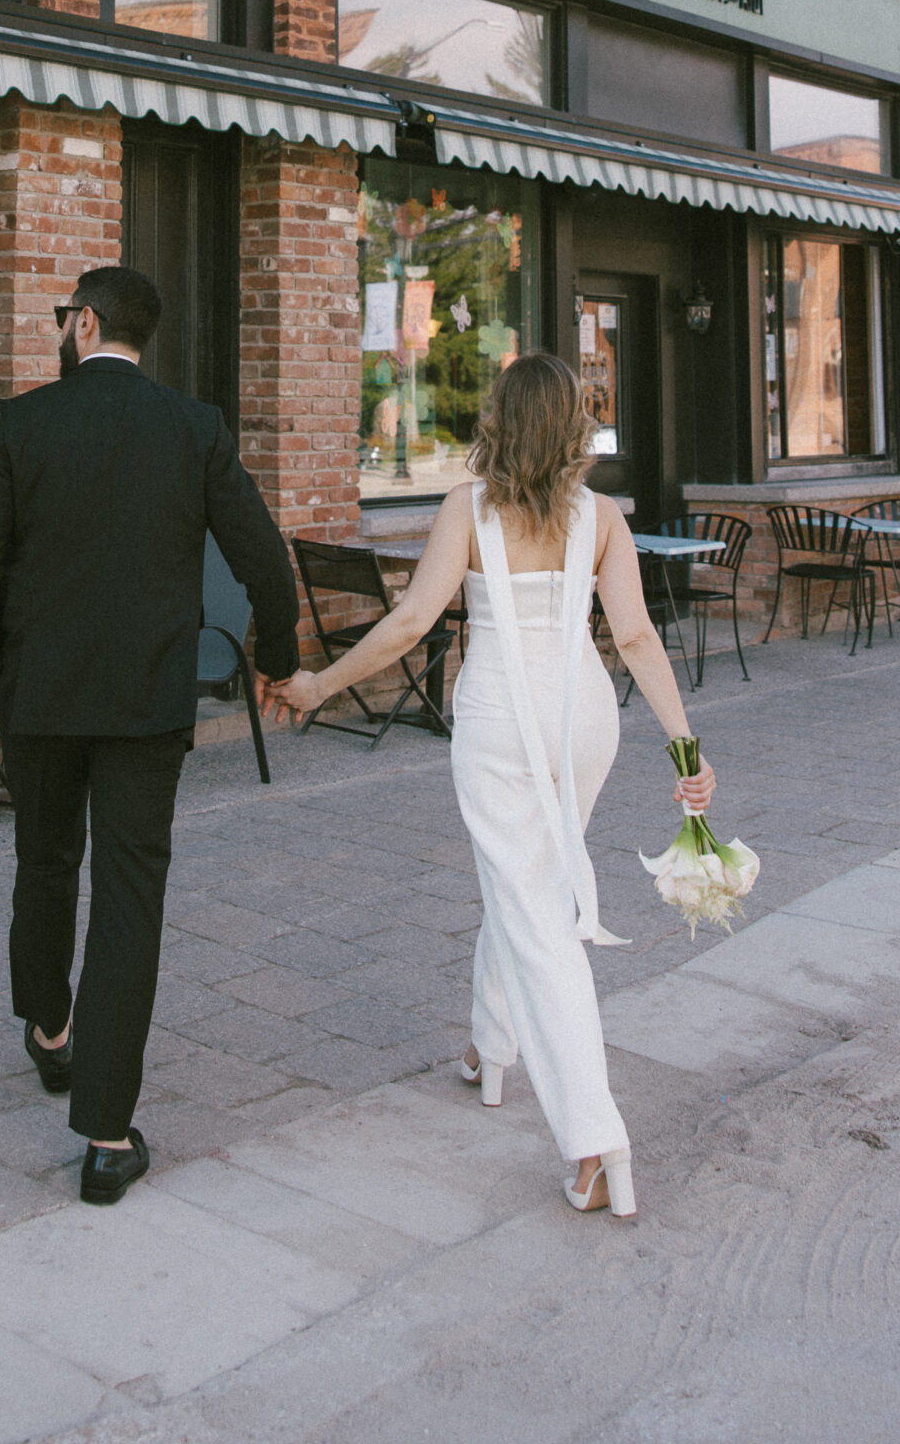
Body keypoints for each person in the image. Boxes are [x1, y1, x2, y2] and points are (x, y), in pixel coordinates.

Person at [262, 350, 716, 1221]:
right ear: (575, 426)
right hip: (586, 717)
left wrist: (319, 685)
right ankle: (489, 1047)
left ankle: (595, 1140)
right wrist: (687, 750)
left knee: (532, 914)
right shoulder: (606, 517)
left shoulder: (468, 508)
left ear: (500, 420)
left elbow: (408, 623)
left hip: (504, 718)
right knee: (527, 888)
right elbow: (636, 638)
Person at [0, 263, 301, 1206]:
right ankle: (106, 1136)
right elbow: (266, 556)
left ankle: (50, 1032)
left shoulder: (20, 424)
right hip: (146, 702)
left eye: (66, 318)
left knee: (45, 857)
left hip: (43, 695)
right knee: (131, 892)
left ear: (87, 322)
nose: (62, 329)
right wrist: (280, 650)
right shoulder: (193, 429)